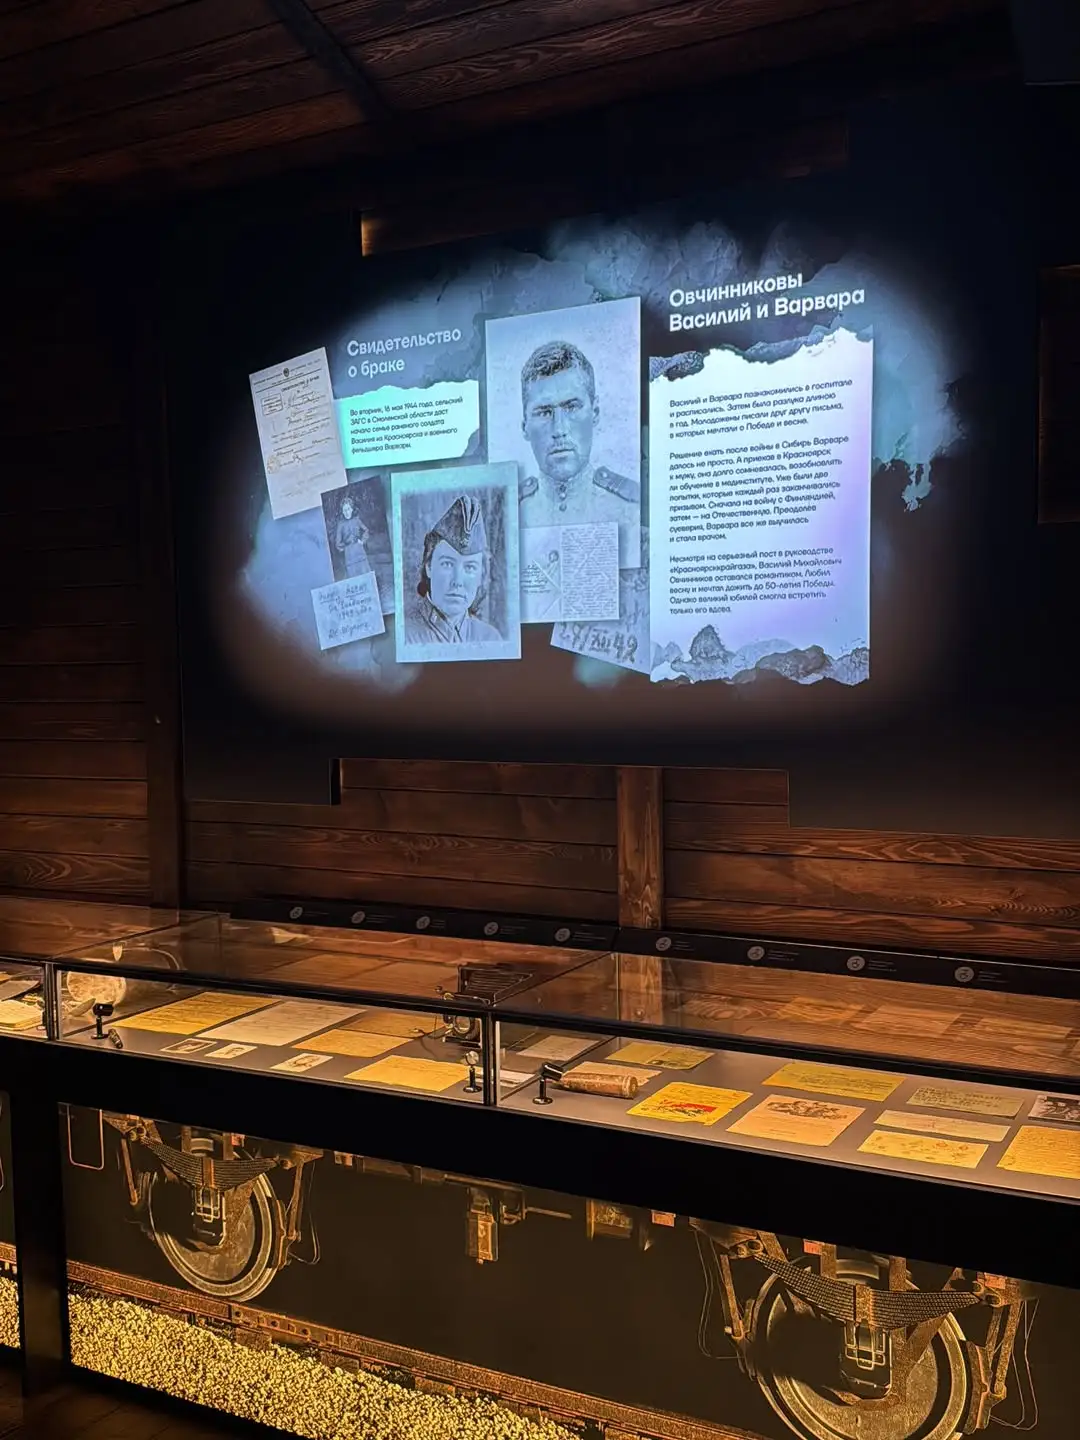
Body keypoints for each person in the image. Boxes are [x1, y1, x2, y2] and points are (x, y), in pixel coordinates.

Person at [518, 340, 640, 536]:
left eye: (572, 407)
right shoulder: (506, 515)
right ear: (525, 426)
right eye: (544, 412)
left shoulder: (634, 508)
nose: (559, 429)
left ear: (595, 412)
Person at [404, 494, 503, 645]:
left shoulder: (490, 639)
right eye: (447, 564)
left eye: (470, 567)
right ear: (428, 566)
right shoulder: (405, 637)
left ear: (480, 576)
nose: (457, 581)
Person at [334, 495, 370, 577]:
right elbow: (338, 543)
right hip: (349, 554)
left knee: (364, 572)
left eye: (348, 509)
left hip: (359, 550)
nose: (347, 512)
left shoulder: (356, 520)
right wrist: (346, 548)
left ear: (352, 509)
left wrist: (362, 541)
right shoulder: (341, 525)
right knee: (353, 574)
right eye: (345, 510)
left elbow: (366, 530)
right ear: (342, 512)